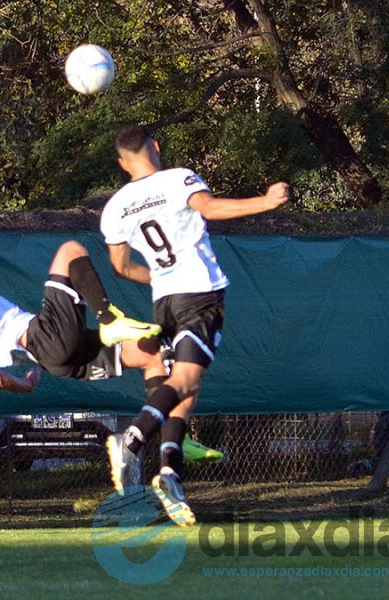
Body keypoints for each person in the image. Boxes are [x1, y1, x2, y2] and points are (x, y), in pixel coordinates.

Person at [100, 124, 290, 526]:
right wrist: (266, 201)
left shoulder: (115, 207)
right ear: (156, 146)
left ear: (121, 163)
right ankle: (131, 440)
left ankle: (170, 472)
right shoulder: (176, 179)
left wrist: (156, 276)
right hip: (199, 295)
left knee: (187, 387)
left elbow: (119, 267)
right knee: (184, 381)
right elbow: (211, 207)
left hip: (165, 303)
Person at [0, 233, 167, 402]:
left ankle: (172, 443)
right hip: (45, 338)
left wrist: (26, 385)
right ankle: (109, 320)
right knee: (70, 250)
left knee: (150, 354)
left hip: (56, 361)